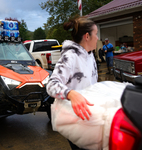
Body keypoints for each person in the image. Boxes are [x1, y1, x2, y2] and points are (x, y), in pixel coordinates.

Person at [46, 16, 98, 150]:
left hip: (89, 117)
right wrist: (70, 93)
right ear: (87, 36)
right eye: (96, 34)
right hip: (74, 120)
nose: (98, 38)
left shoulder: (90, 55)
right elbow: (51, 84)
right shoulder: (70, 57)